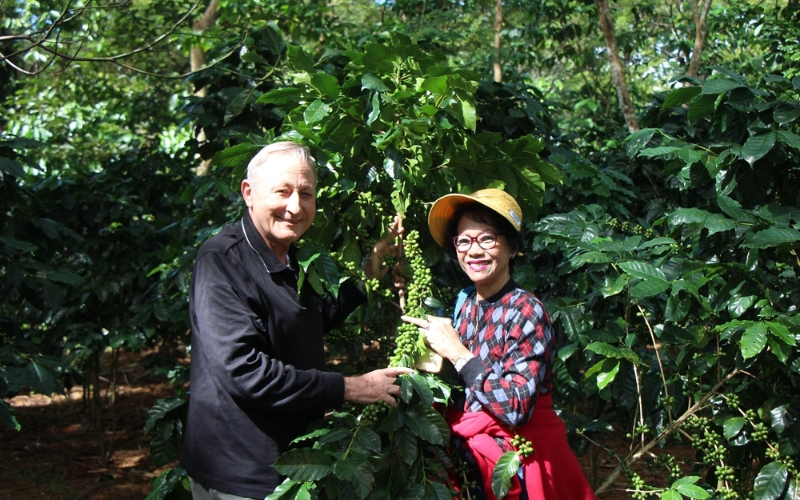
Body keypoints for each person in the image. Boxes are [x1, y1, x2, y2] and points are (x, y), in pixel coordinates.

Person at [181, 141, 412, 500]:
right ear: (248, 192)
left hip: (294, 460)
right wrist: (350, 387)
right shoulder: (222, 260)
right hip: (242, 474)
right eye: (282, 191)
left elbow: (302, 322)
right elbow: (245, 373)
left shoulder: (292, 256)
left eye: (306, 194)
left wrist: (368, 274)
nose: (295, 207)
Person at [403, 188, 596, 500]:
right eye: (464, 241)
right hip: (468, 456)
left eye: (487, 238)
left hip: (515, 463)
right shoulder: (465, 301)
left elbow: (516, 407)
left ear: (512, 247)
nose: (474, 251)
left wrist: (458, 353)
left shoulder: (526, 310)